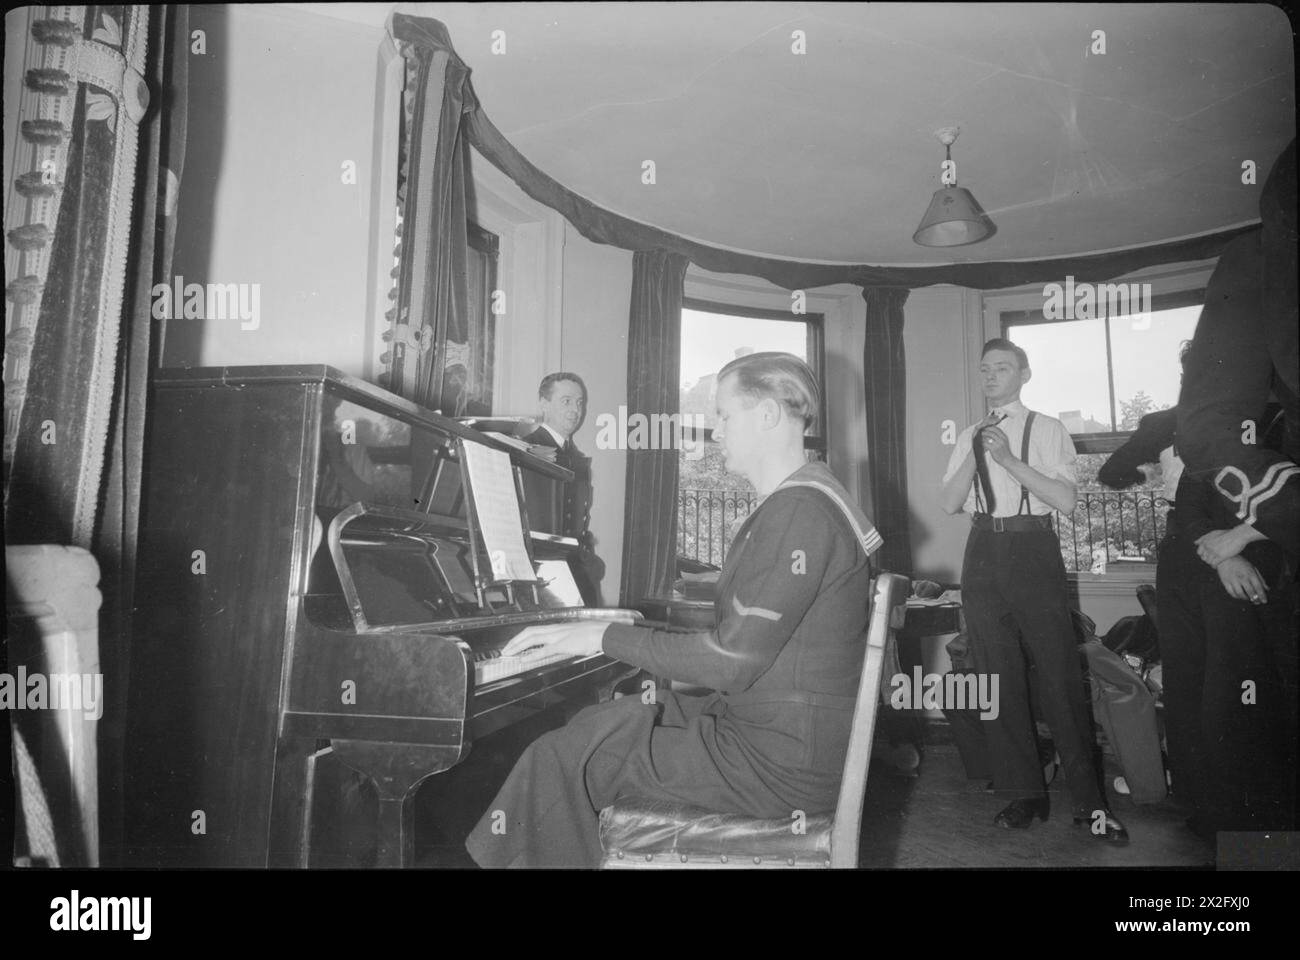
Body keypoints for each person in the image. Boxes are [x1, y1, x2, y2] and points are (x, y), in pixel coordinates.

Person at [464, 352, 882, 867]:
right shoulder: (811, 498)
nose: (716, 431)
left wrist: (600, 637)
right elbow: (744, 639)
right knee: (603, 718)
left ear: (769, 415)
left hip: (775, 763)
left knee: (567, 755)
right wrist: (619, 627)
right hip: (778, 734)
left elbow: (731, 663)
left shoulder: (799, 511)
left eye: (725, 416)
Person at [941, 338, 1128, 843]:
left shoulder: (1048, 429)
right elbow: (949, 502)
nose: (991, 377)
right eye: (984, 370)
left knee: (1060, 676)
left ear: (1024, 375)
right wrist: (974, 451)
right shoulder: (968, 434)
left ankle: (1091, 805)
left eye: (1002, 368)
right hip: (982, 552)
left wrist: (1008, 461)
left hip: (1033, 551)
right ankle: (1023, 795)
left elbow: (1065, 500)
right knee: (996, 678)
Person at [520, 372, 605, 604]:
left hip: (575, 569)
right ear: (543, 404)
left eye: (580, 403)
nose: (575, 410)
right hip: (539, 573)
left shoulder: (577, 458)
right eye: (566, 401)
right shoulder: (524, 451)